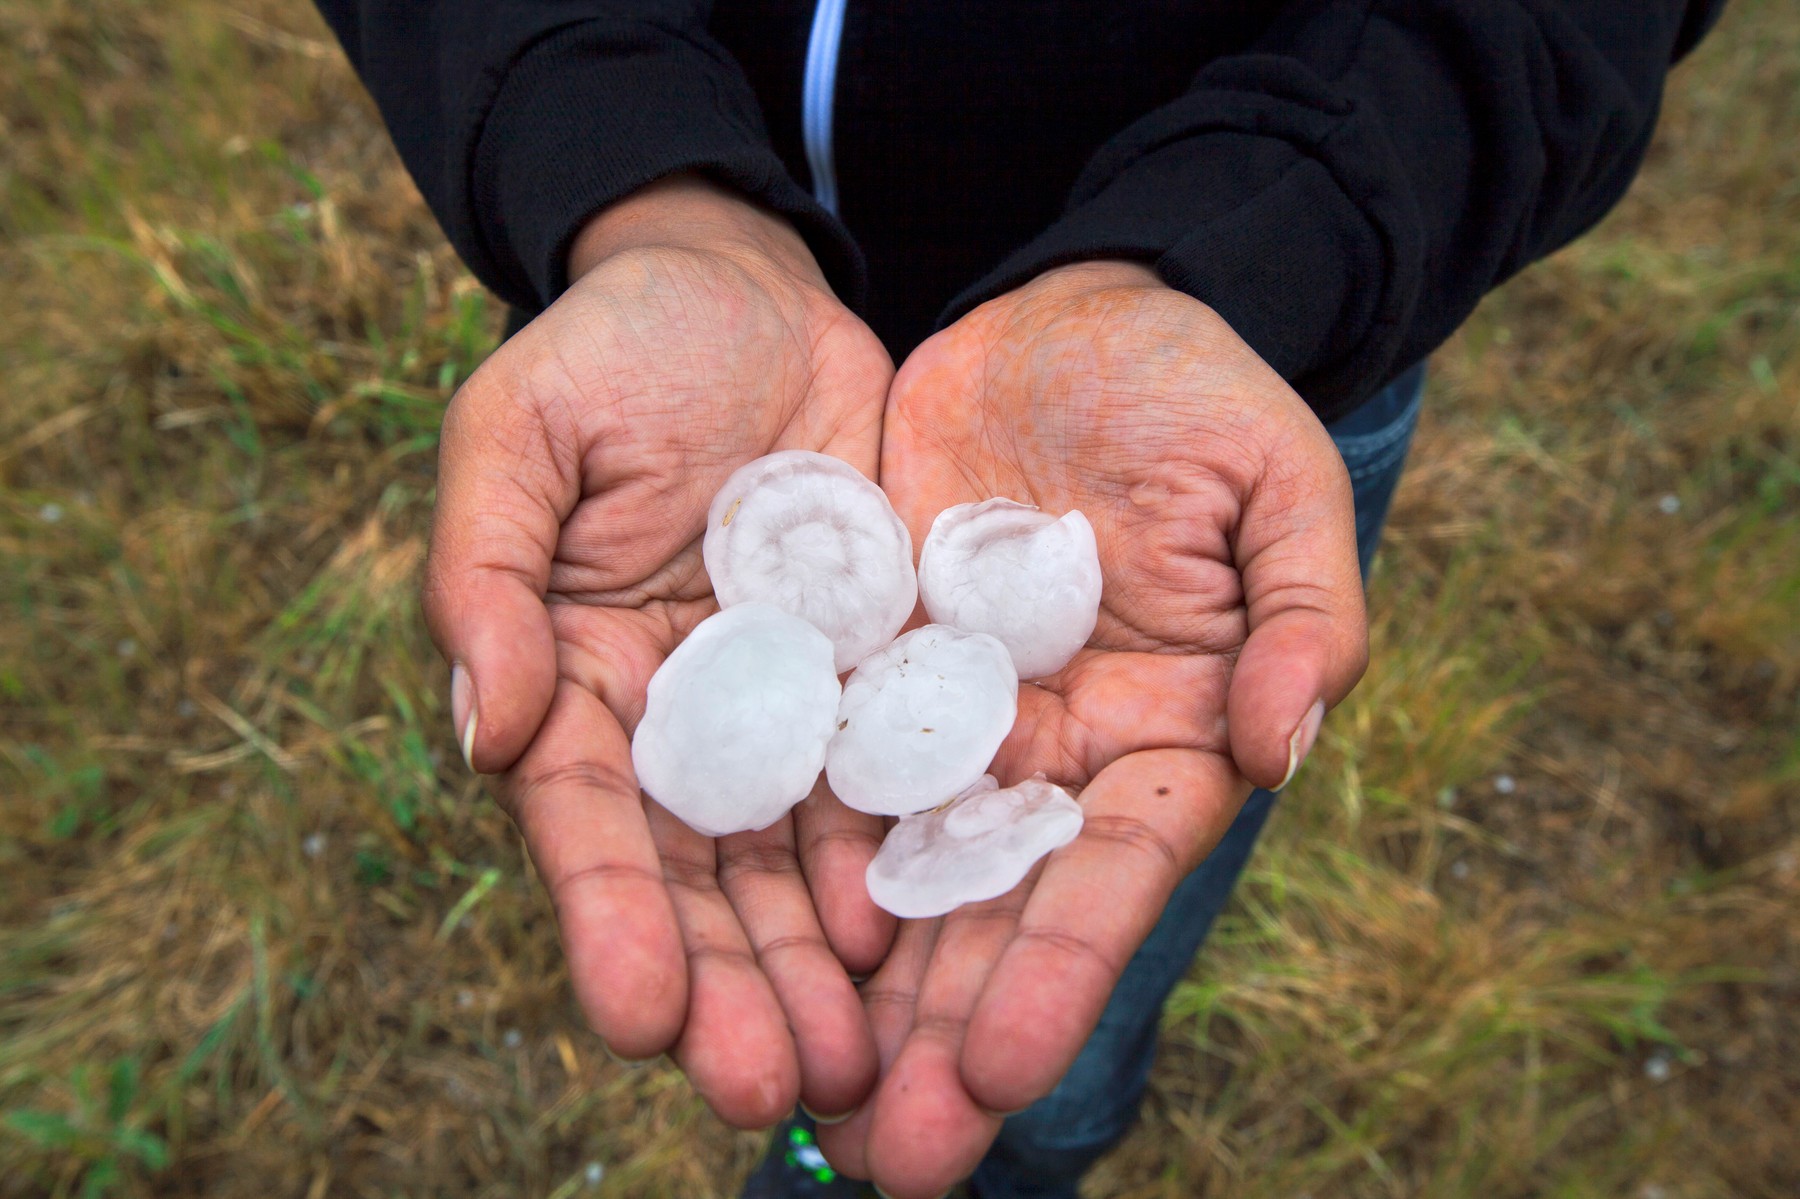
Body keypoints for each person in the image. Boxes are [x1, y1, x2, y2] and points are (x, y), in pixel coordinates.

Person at [312, 3, 1726, 1196]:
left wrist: (1276, 230)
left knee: (1048, 1024)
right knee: (846, 1014)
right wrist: (625, 169)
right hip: (711, 375)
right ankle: (835, 1158)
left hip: (1225, 357)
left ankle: (1020, 1158)